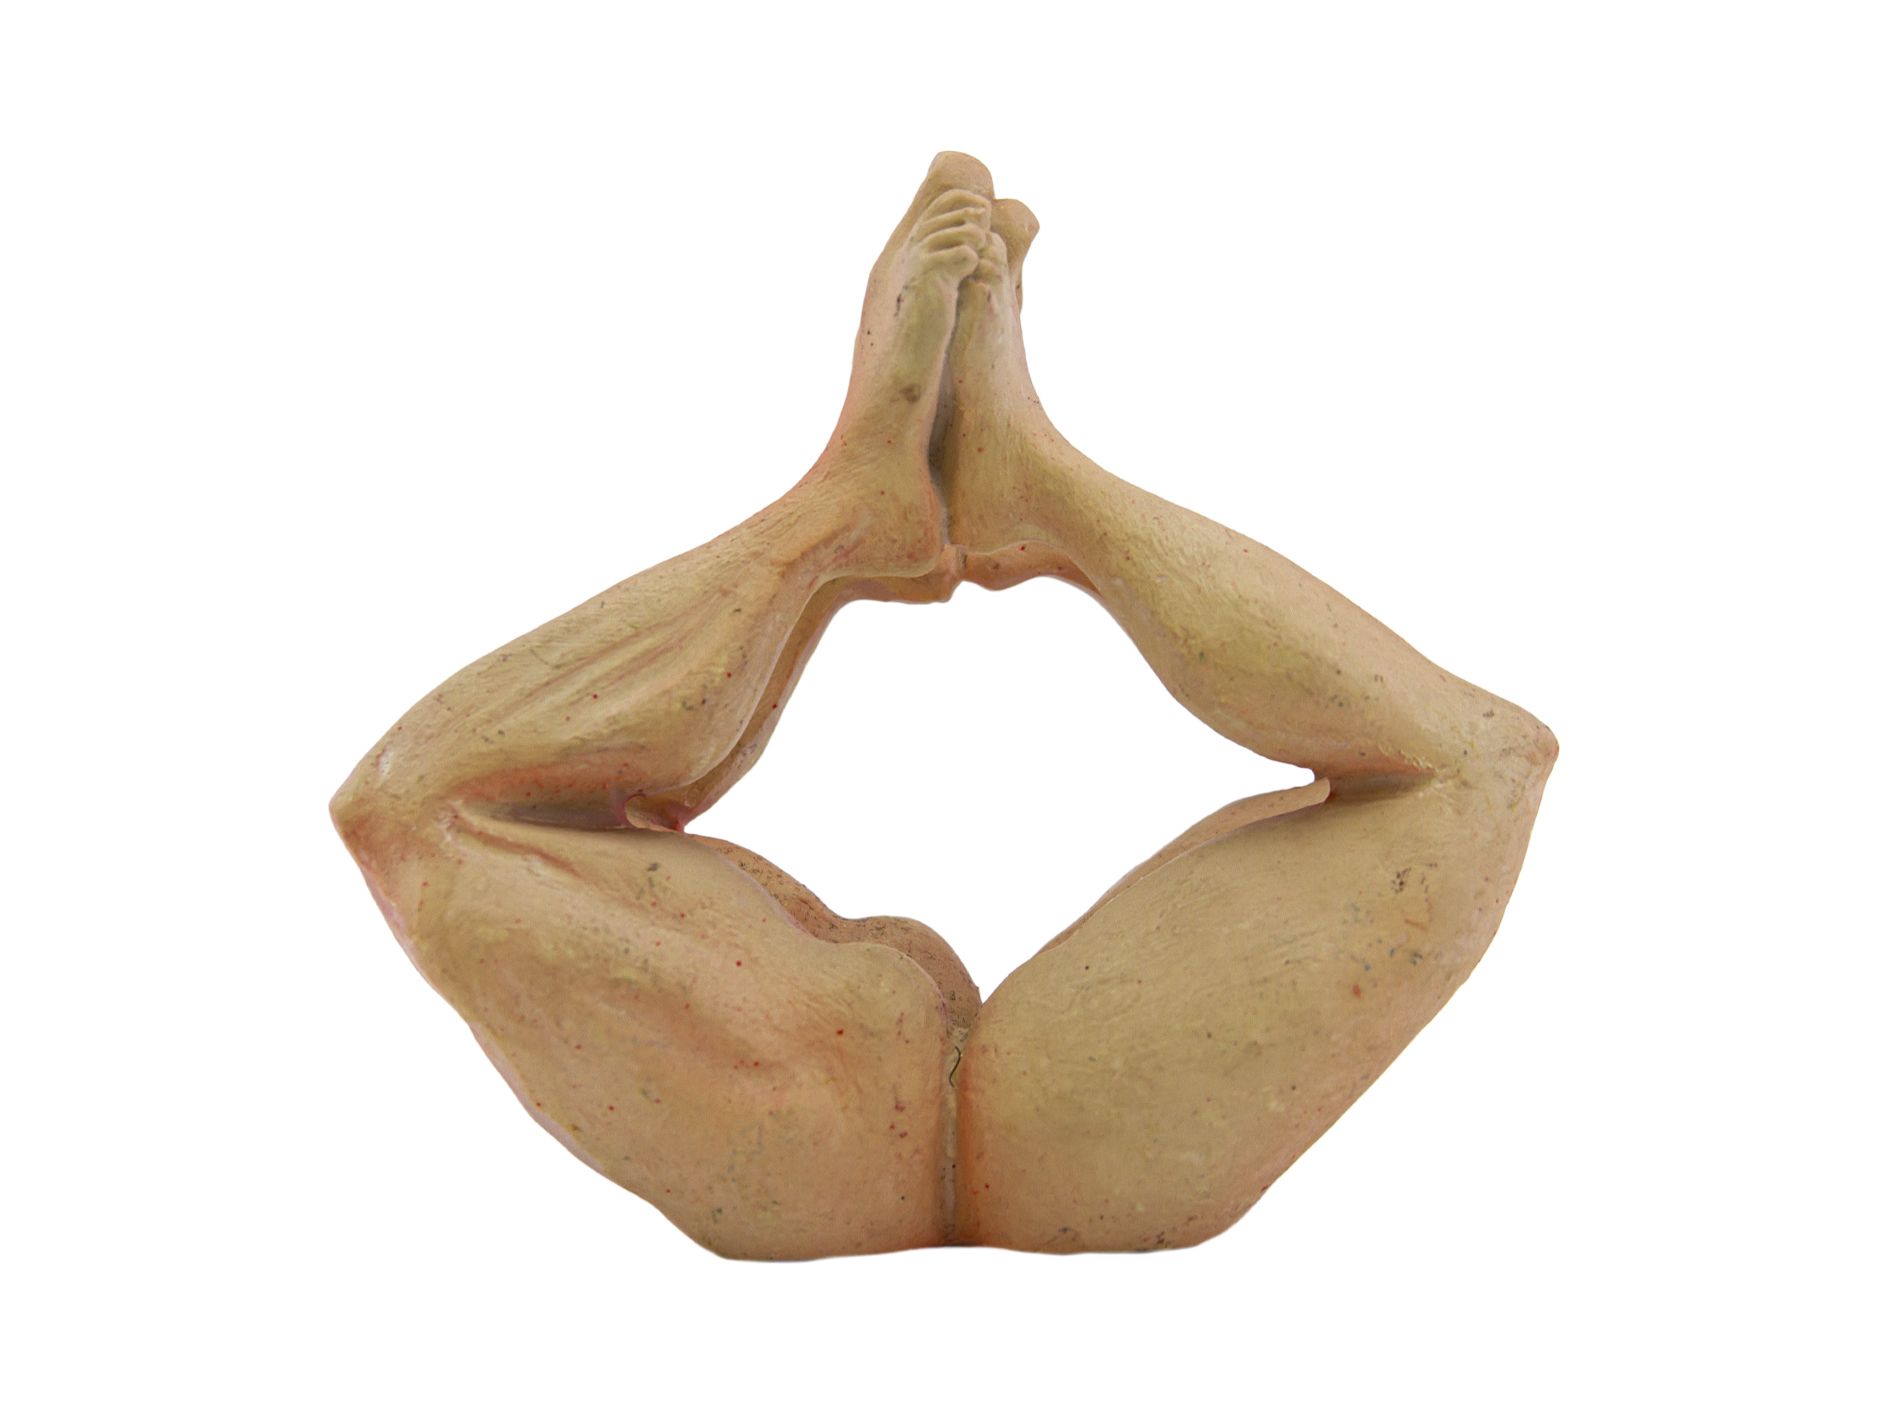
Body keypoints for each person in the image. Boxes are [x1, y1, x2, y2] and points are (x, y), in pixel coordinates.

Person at [332, 153, 1557, 1259]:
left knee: (418, 812)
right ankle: (969, 489)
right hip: (991, 1137)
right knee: (1475, 765)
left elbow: (451, 801)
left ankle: (880, 501)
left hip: (874, 1133)